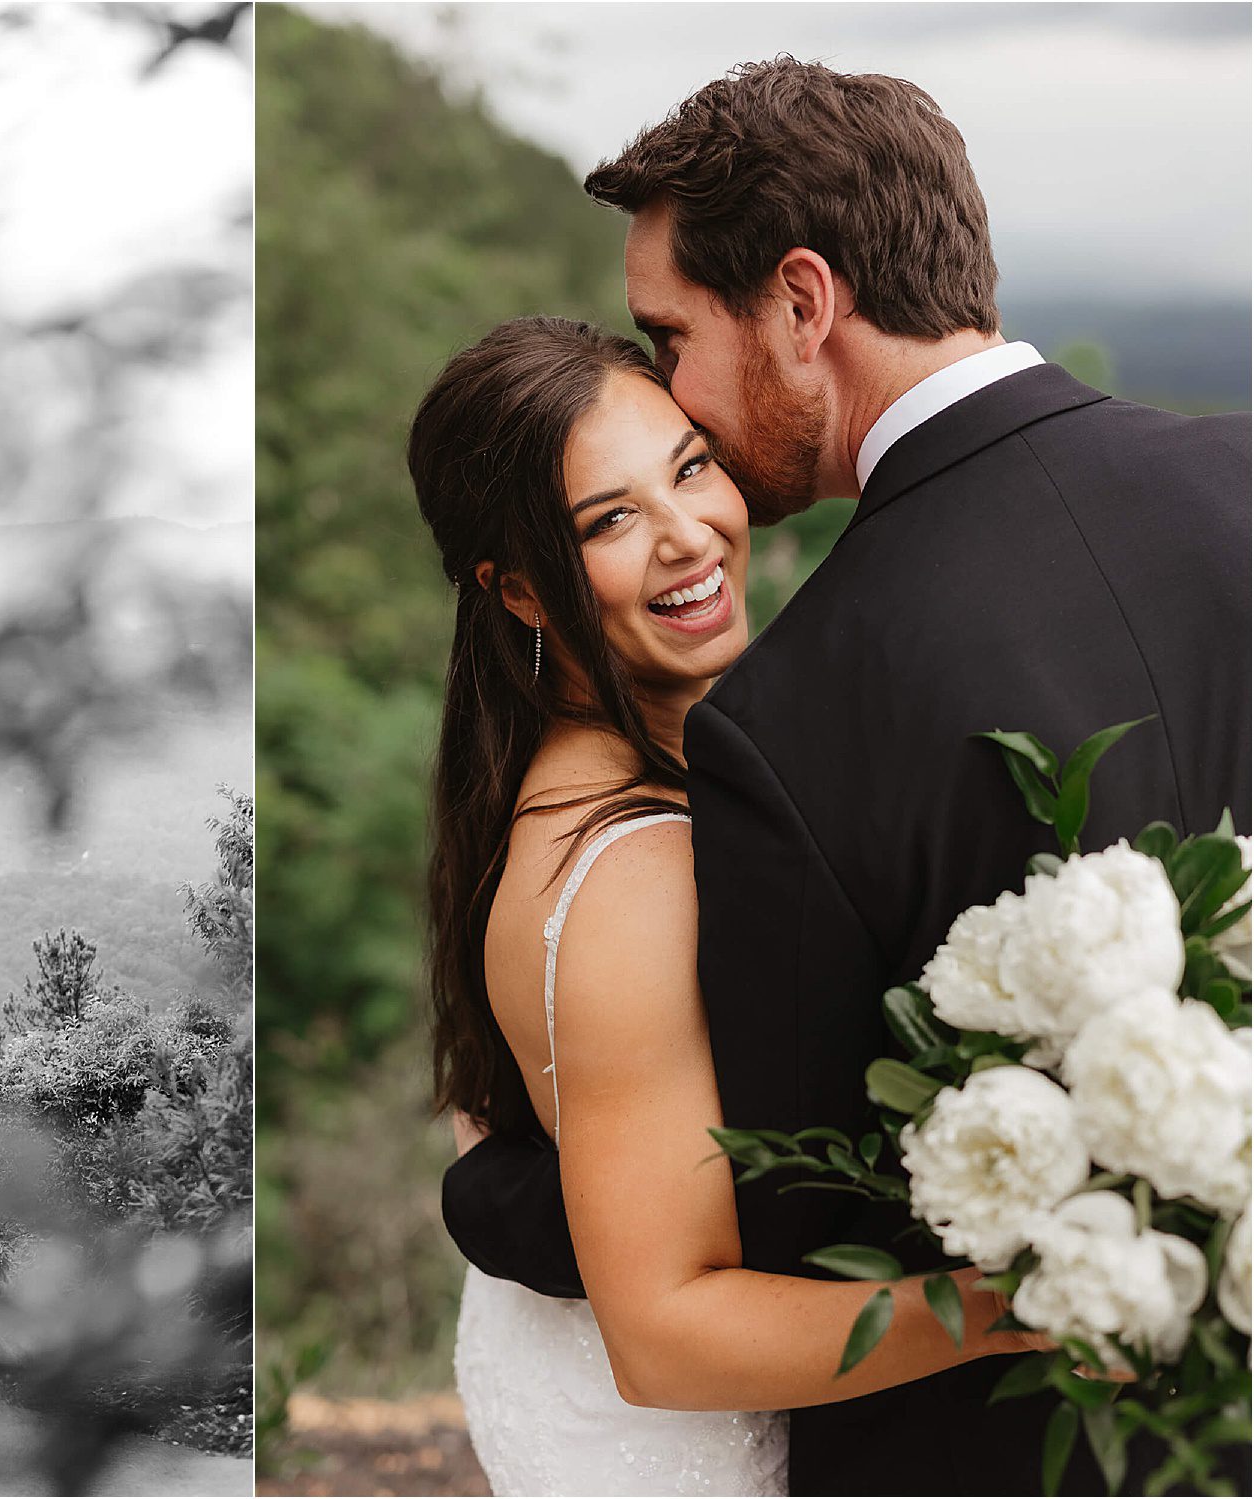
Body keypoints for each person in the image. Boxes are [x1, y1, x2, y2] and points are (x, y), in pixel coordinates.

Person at [437, 59, 1251, 1497]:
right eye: (615, 512)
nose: (701, 518)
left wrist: (507, 1187)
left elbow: (797, 1186)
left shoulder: (794, 718)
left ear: (803, 303)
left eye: (674, 338)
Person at [415, 317, 1041, 1497]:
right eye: (607, 521)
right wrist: (1017, 1301)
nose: (684, 535)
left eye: (688, 467)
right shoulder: (635, 870)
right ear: (518, 592)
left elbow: (504, 1122)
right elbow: (664, 1335)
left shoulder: (558, 789)